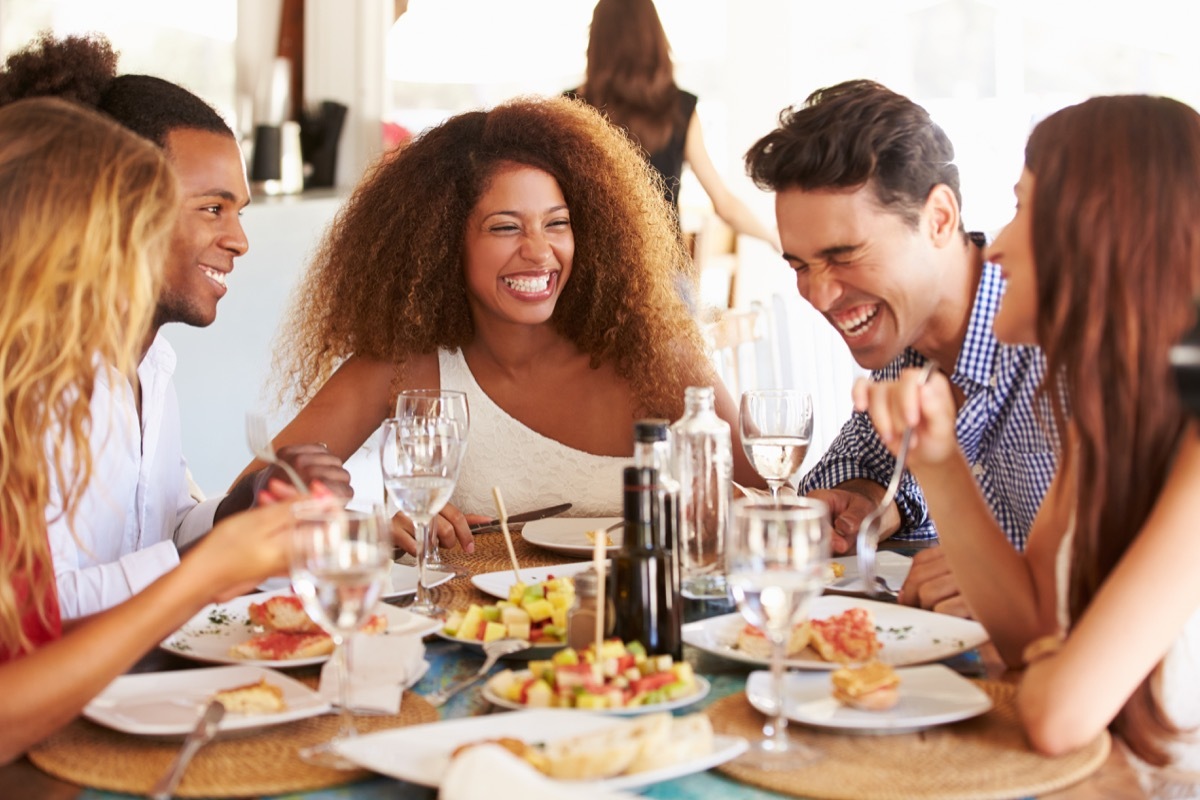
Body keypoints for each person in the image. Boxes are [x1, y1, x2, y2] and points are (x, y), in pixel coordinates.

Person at [854, 94, 1200, 797]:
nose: (1000, 242)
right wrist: (939, 465)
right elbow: (1024, 632)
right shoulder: (1105, 419)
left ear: (1100, 235)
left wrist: (1059, 656)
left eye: (1024, 207)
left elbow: (1055, 712)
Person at [254, 95, 763, 555]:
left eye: (557, 223)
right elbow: (257, 498)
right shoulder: (404, 367)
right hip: (476, 646)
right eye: (505, 227)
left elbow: (765, 498)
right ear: (442, 242)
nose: (539, 252)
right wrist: (364, 527)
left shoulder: (653, 355)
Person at [0, 34, 349, 618]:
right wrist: (211, 566)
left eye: (239, 211)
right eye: (213, 208)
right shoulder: (36, 382)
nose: (239, 240)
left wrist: (242, 504)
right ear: (116, 206)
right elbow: (40, 608)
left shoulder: (153, 365)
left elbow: (154, 532)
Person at [0, 96, 301, 764]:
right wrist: (199, 572)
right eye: (130, 235)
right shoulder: (40, 400)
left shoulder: (82, 384)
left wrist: (233, 521)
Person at [743, 79, 1058, 617]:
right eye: (800, 265)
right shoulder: (903, 338)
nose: (818, 294)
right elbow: (851, 468)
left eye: (844, 255)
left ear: (938, 219)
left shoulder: (1056, 342)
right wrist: (867, 498)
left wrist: (1013, 578)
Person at [570, 0, 779, 252]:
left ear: (595, 42)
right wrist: (772, 238)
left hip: (591, 269)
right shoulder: (679, 108)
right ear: (654, 40)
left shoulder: (569, 109)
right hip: (663, 271)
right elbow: (724, 204)